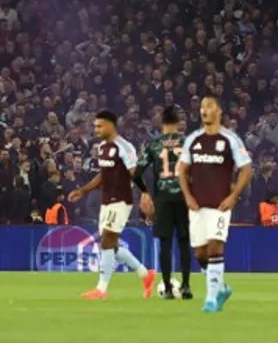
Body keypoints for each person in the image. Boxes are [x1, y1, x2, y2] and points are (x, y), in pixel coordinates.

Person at [68, 110, 157, 300]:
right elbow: (102, 175)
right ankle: (145, 274)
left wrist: (145, 193)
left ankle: (101, 289)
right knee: (112, 246)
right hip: (107, 200)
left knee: (107, 240)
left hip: (121, 199)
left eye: (99, 126)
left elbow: (135, 171)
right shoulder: (102, 147)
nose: (96, 129)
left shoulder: (124, 147)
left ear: (110, 125)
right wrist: (83, 190)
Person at [178, 97, 254, 313]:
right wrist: (187, 196)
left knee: (215, 247)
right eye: (202, 107)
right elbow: (182, 170)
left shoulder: (230, 139)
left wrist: (233, 197)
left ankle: (210, 299)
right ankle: (221, 288)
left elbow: (247, 169)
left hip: (220, 205)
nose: (205, 110)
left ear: (219, 111)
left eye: (210, 106)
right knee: (200, 254)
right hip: (197, 205)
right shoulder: (193, 139)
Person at [135, 105, 192, 299]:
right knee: (184, 242)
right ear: (177, 123)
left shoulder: (154, 144)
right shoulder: (187, 142)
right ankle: (185, 286)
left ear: (162, 123)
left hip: (163, 199)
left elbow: (136, 172)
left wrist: (145, 192)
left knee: (165, 244)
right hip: (184, 198)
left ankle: (167, 287)